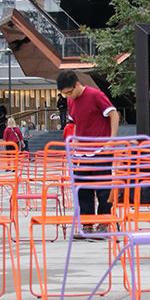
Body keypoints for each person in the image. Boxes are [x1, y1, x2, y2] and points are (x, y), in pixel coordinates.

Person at [57, 70, 119, 234]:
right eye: (64, 95)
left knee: (103, 187)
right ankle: (87, 222)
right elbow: (76, 122)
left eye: (69, 92)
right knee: (82, 187)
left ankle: (104, 221)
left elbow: (114, 114)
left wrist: (111, 140)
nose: (68, 96)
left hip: (100, 149)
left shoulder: (95, 95)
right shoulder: (71, 101)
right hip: (82, 151)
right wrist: (76, 139)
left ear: (77, 85)